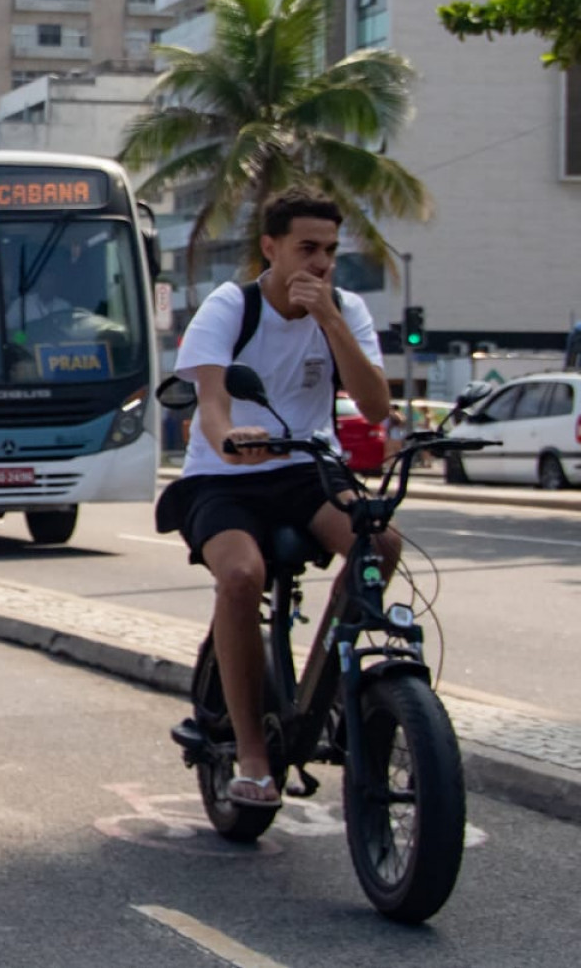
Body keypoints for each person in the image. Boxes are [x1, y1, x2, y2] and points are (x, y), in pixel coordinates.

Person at [158, 188, 394, 809]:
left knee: (380, 543)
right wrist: (232, 439)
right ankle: (253, 756)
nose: (320, 264)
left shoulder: (345, 309)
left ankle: (321, 683)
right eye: (306, 249)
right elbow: (210, 404)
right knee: (241, 575)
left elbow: (376, 406)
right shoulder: (230, 306)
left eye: (330, 252)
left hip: (306, 469)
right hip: (224, 475)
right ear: (271, 247)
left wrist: (332, 323)